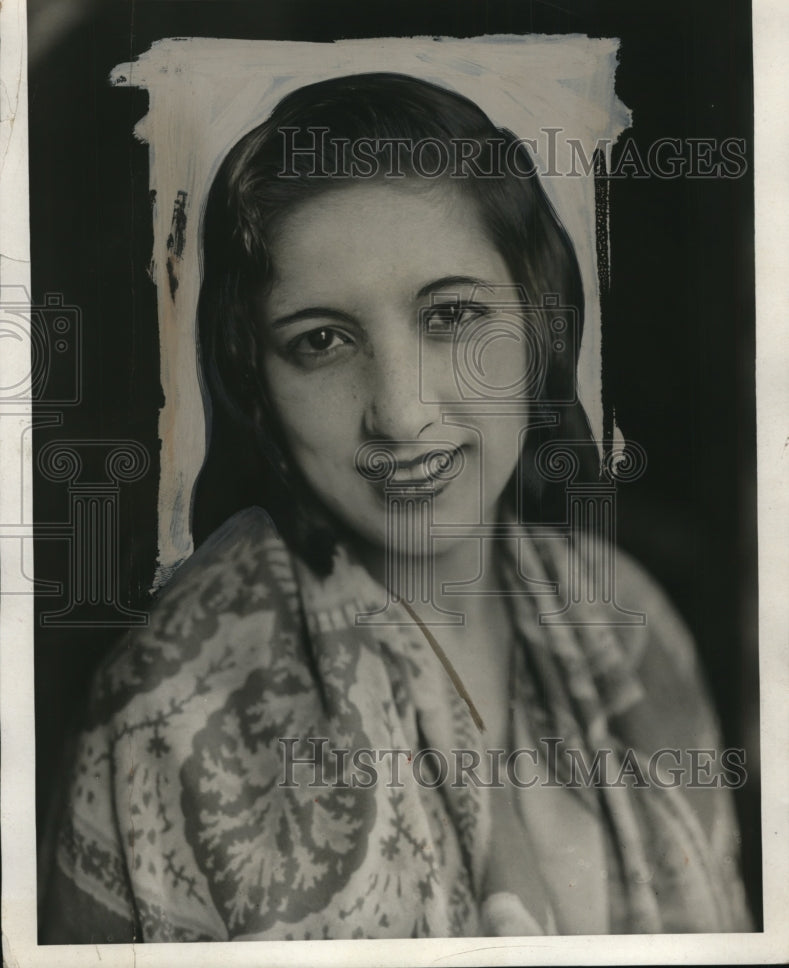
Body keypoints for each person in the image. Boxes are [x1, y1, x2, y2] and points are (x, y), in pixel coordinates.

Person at [41, 73, 751, 942]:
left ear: (538, 323)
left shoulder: (628, 618)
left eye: (450, 315)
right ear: (255, 383)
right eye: (322, 341)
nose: (401, 412)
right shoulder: (170, 713)